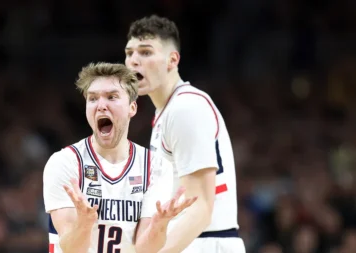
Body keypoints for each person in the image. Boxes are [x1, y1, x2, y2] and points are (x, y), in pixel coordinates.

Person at [43, 62, 197, 253]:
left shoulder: (154, 166)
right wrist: (84, 223)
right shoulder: (64, 163)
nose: (101, 106)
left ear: (132, 108)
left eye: (112, 97)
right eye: (92, 99)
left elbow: (145, 249)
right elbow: (70, 248)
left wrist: (160, 225)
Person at [124, 15, 246, 253]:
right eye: (129, 53)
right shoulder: (166, 112)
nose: (134, 61)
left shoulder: (185, 108)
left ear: (172, 60)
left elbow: (200, 208)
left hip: (206, 242)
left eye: (146, 52)